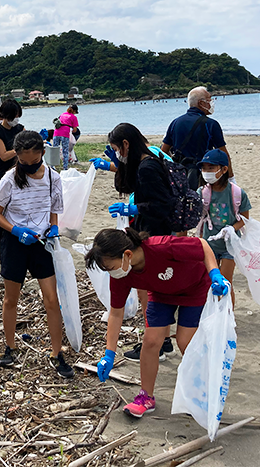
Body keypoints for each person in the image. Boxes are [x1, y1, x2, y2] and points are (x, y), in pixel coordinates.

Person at [85, 228, 229, 418]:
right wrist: (109, 354)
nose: (111, 273)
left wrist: (215, 273)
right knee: (151, 341)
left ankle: (202, 393)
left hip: (194, 288)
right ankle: (146, 397)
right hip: (161, 294)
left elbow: (202, 246)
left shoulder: (162, 246)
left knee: (185, 342)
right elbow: (116, 313)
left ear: (127, 255)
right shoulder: (121, 276)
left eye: (111, 267)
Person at [89, 123, 177, 362]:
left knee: (150, 289)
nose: (117, 153)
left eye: (117, 149)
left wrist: (134, 209)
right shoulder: (141, 162)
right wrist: (116, 164)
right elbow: (126, 186)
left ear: (126, 144)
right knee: (150, 289)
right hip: (146, 228)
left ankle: (158, 343)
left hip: (153, 232)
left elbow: (163, 205)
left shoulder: (148, 166)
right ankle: (162, 340)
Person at [0, 131, 74, 378]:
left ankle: (57, 352)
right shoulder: (9, 179)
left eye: (34, 161)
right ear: (17, 156)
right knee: (11, 299)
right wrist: (16, 230)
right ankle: (10, 345)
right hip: (15, 242)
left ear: (42, 153)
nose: (29, 166)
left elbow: (54, 208)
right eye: (23, 162)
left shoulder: (53, 177)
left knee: (51, 299)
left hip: (42, 243)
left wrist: (54, 227)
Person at [196, 150, 251, 307]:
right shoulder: (202, 193)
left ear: (224, 169)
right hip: (209, 245)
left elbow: (244, 219)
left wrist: (231, 228)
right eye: (204, 168)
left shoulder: (237, 193)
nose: (207, 172)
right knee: (209, 282)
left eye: (211, 168)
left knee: (226, 282)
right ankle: (211, 313)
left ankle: (228, 315)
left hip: (230, 246)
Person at [160, 86, 233, 190]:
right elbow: (224, 154)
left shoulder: (175, 123)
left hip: (180, 176)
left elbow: (163, 151)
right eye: (209, 100)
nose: (212, 103)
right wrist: (231, 178)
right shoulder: (211, 124)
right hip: (203, 175)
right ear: (201, 103)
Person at [0, 99, 24, 186]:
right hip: (3, 174)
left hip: (20, 173)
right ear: (7, 116)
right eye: (15, 116)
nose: (16, 119)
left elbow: (28, 140)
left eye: (18, 116)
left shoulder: (20, 128)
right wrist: (20, 149)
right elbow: (4, 156)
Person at [52, 105, 79, 170]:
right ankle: (65, 167)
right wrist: (72, 131)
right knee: (65, 151)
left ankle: (52, 166)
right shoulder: (73, 117)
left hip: (56, 133)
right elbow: (75, 129)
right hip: (65, 133)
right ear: (74, 111)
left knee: (55, 150)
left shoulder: (62, 114)